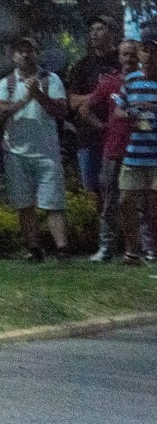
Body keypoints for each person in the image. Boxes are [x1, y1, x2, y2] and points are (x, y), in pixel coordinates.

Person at [0, 35, 71, 261]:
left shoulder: (51, 79)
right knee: (24, 204)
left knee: (53, 203)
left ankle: (62, 249)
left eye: (30, 50)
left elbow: (61, 111)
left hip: (47, 152)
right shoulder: (6, 83)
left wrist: (39, 94)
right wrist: (28, 98)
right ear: (13, 56)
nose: (25, 54)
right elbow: (2, 113)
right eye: (21, 51)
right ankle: (34, 249)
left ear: (38, 54)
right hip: (16, 152)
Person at [81, 36, 142, 261]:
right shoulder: (110, 82)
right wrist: (102, 127)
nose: (129, 58)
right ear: (119, 57)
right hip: (114, 149)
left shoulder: (148, 82)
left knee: (141, 202)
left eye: (133, 54)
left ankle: (142, 248)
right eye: (125, 54)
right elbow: (85, 109)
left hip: (141, 150)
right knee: (109, 201)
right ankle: (107, 248)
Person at [113, 35, 157, 262]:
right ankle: (132, 250)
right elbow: (118, 110)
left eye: (152, 53)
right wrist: (130, 113)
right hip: (135, 152)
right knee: (125, 201)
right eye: (145, 52)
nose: (148, 56)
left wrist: (151, 107)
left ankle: (153, 249)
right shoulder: (131, 81)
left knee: (154, 204)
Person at [64, 17, 119, 196]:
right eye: (92, 30)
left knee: (117, 190)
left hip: (118, 136)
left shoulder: (122, 61)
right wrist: (101, 93)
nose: (94, 34)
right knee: (92, 189)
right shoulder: (82, 66)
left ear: (112, 33)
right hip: (89, 137)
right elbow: (73, 101)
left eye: (100, 29)